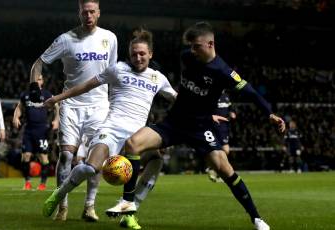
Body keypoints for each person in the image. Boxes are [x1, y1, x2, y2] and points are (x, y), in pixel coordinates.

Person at [106, 22, 286, 230]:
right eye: (190, 45)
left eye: (196, 46)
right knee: (133, 143)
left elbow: (250, 92)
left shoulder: (223, 71)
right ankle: (127, 204)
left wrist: (270, 113)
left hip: (201, 127)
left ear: (210, 44)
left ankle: (256, 218)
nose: (192, 50)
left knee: (225, 170)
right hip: (174, 122)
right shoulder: (187, 57)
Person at [41, 28, 187, 225]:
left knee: (156, 161)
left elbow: (178, 99)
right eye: (134, 53)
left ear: (150, 54)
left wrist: (206, 112)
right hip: (111, 129)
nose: (138, 57)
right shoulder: (117, 69)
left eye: (142, 53)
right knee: (90, 168)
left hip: (137, 136)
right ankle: (59, 194)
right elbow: (86, 85)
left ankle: (129, 211)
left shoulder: (158, 78)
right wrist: (57, 98)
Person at [30, 0, 118, 221]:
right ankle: (62, 206)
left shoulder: (110, 38)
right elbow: (38, 63)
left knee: (94, 158)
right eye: (84, 12)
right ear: (79, 13)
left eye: (92, 11)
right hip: (71, 104)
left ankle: (89, 206)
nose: (88, 15)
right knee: (67, 154)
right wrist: (34, 88)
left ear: (99, 13)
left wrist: (114, 103)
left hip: (99, 106)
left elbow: (113, 74)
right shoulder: (66, 39)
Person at [12, 75, 59, 191]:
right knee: (26, 156)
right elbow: (19, 107)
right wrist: (16, 117)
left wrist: (56, 120)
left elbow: (57, 106)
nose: (37, 81)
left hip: (42, 131)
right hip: (28, 130)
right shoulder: (25, 95)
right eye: (36, 79)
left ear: (42, 81)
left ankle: (42, 184)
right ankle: (27, 182)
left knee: (43, 157)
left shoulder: (47, 94)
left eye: (40, 79)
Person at [207, 91, 236, 182]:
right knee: (220, 149)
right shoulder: (212, 95)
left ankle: (214, 169)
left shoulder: (226, 96)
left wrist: (232, 113)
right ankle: (216, 169)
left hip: (224, 127)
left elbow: (231, 108)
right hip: (213, 125)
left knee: (225, 150)